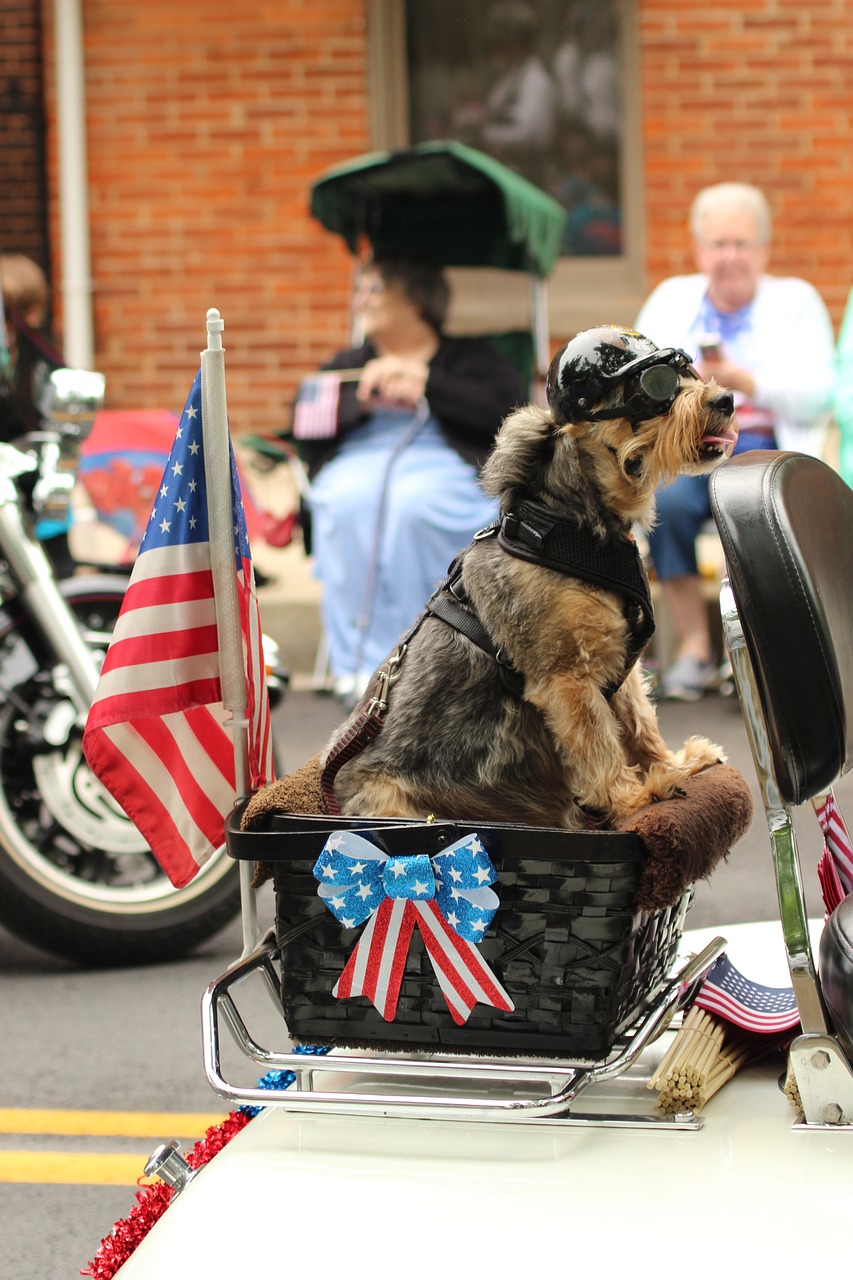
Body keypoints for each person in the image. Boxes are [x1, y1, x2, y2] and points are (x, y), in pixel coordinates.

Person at [291, 254, 527, 703]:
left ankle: (429, 657)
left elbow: (506, 412)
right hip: (359, 463)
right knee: (345, 501)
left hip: (440, 464)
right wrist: (359, 398)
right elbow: (302, 421)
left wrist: (427, 384)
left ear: (416, 301)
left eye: (375, 289)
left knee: (413, 505)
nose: (362, 298)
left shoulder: (470, 358)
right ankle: (359, 664)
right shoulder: (350, 362)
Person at [635, 182, 835, 701]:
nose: (729, 257)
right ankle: (696, 647)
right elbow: (639, 382)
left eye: (741, 244)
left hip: (762, 440)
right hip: (688, 445)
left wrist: (747, 381)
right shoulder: (670, 300)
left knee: (746, 507)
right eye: (718, 244)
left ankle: (745, 651)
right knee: (665, 503)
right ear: (699, 249)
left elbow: (820, 394)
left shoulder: (796, 302)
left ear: (764, 249)